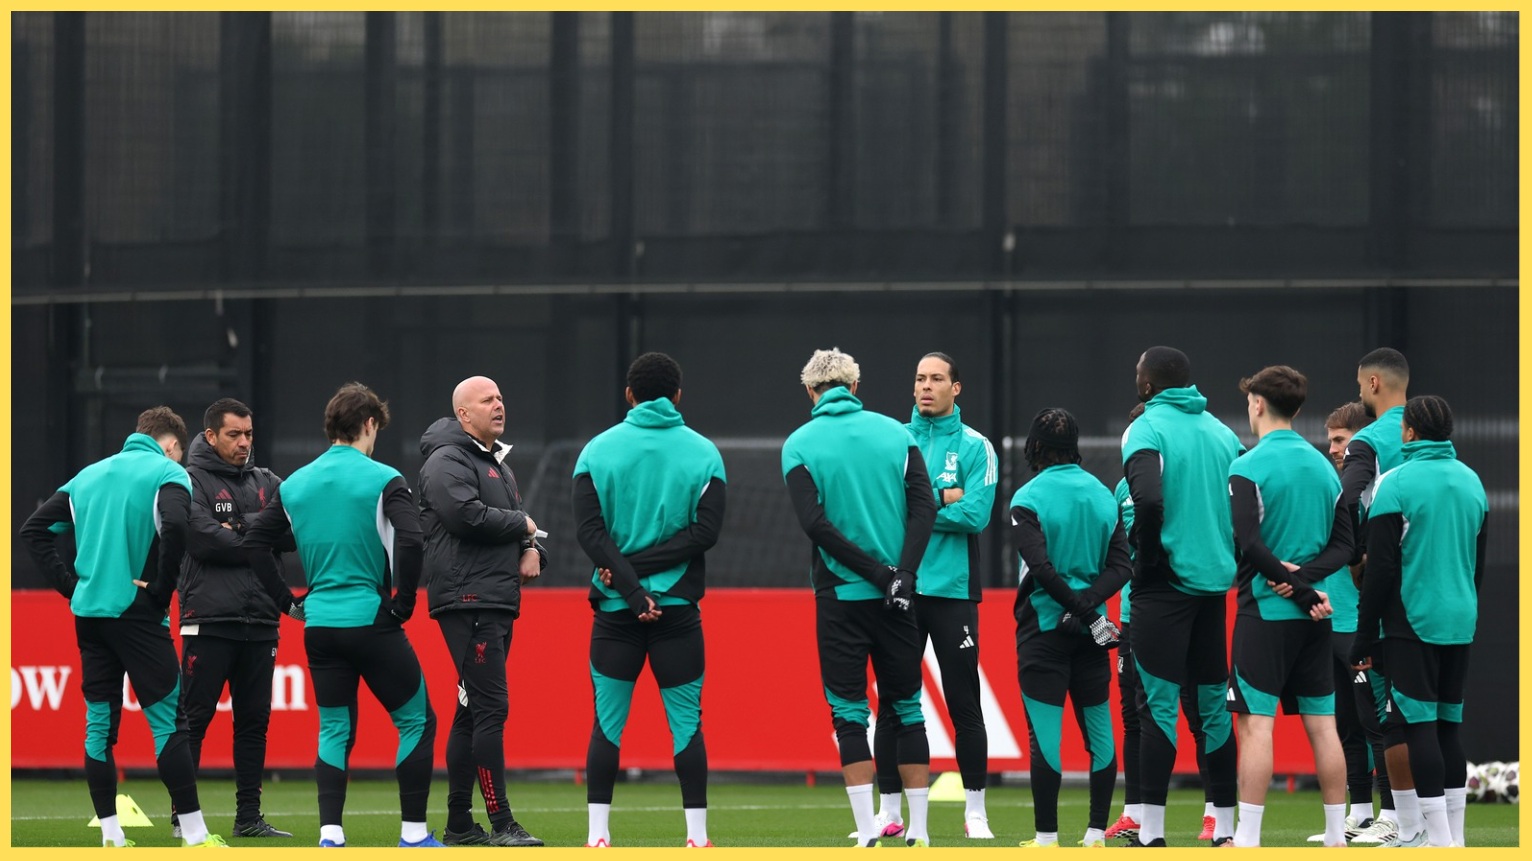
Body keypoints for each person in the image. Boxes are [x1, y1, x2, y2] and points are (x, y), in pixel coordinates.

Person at [242, 383, 441, 848]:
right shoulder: (384, 478)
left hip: (320, 626)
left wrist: (287, 602)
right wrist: (404, 602)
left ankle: (330, 835)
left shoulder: (295, 484)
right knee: (417, 721)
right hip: (371, 620)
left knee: (334, 727)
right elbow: (411, 539)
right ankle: (413, 835)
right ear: (370, 425)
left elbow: (253, 543)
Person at [20, 406, 228, 847]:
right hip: (135, 614)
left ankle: (111, 836)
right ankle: (194, 835)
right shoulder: (167, 473)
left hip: (89, 617)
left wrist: (70, 586)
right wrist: (160, 590)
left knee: (98, 724)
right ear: (171, 445)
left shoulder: (86, 477)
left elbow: (34, 530)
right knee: (171, 724)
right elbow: (174, 525)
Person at [780, 347, 938, 848]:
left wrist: (873, 572)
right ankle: (921, 832)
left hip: (841, 596)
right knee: (907, 708)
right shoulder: (898, 433)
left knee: (849, 711)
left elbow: (815, 526)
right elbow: (925, 508)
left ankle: (867, 830)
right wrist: (902, 574)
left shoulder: (799, 444)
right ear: (854, 385)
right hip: (898, 598)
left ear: (810, 391)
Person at [573, 352, 727, 848]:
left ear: (629, 395)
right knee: (686, 727)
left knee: (607, 727)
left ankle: (598, 837)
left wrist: (629, 585)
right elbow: (705, 533)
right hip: (678, 614)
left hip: (617, 611)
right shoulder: (705, 453)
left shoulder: (596, 452)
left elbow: (590, 534)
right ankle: (697, 839)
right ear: (678, 395)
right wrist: (645, 584)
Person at [863, 352, 997, 841]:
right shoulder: (895, 441)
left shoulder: (978, 446)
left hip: (954, 593)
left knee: (965, 703)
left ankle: (975, 812)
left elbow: (976, 515)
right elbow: (882, 511)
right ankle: (889, 811)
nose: (926, 386)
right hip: (904, 587)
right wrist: (942, 497)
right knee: (896, 702)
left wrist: (917, 507)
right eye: (919, 378)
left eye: (937, 378)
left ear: (956, 387)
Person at [1224, 366, 1354, 847]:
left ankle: (1248, 839)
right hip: (1316, 617)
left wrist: (1293, 585)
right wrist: (1307, 584)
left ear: (1258, 403)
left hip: (1265, 615)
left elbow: (1248, 544)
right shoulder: (1324, 466)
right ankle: (1338, 836)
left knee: (1256, 726)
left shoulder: (1246, 466)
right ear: (1297, 409)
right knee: (1324, 727)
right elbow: (1345, 547)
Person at [1350, 395, 1487, 848]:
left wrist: (1364, 635)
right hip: (1460, 619)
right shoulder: (1472, 483)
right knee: (1449, 727)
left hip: (1412, 621)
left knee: (1419, 727)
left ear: (1408, 432)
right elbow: (1477, 565)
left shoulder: (1396, 484)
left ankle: (1439, 843)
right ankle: (1456, 841)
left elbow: (1381, 572)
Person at [1120, 346, 1243, 847]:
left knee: (1158, 708)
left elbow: (1147, 499)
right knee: (1213, 708)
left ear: (1148, 385)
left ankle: (1151, 832)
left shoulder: (1144, 428)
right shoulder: (1223, 433)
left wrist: (1147, 558)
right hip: (1213, 585)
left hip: (1164, 585)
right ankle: (1225, 829)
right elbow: (1244, 507)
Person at [417, 376, 546, 847]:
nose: (499, 404)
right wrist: (524, 525)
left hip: (492, 598)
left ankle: (457, 825)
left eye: (500, 396)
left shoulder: (496, 464)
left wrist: (532, 545)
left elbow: (518, 532)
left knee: (469, 712)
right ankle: (502, 823)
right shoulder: (447, 460)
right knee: (491, 707)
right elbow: (465, 516)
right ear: (463, 414)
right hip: (468, 600)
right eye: (487, 400)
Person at [174, 398, 300, 840]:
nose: (244, 442)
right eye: (234, 434)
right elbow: (202, 540)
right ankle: (183, 818)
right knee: (194, 718)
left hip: (261, 620)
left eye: (248, 434)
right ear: (210, 436)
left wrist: (242, 528)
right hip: (209, 619)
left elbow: (293, 530)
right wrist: (259, 534)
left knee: (254, 723)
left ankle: (249, 817)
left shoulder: (268, 480)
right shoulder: (188, 479)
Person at [1009, 408, 1132, 848]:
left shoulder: (1027, 497)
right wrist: (1091, 613)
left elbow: (1039, 569)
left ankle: (1046, 839)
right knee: (1099, 734)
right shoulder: (1103, 495)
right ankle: (1096, 833)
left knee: (1046, 737)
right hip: (1091, 633)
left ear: (1036, 447)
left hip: (1044, 631)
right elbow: (1122, 565)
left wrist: (1075, 610)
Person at [1306, 401, 1398, 845]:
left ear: (1360, 441)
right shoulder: (1336, 486)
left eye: (1340, 440)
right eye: (1331, 441)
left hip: (1365, 627)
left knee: (1376, 723)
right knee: (1345, 724)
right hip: (1331, 622)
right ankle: (1360, 813)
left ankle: (1394, 814)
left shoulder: (1371, 493)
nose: (1333, 449)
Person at [1340, 347, 1413, 846]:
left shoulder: (1368, 442)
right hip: (1434, 589)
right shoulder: (1432, 436)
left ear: (1371, 384)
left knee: (1385, 711)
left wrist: (1354, 558)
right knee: (1429, 713)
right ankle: (1433, 823)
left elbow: (1347, 501)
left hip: (1387, 593)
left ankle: (1394, 819)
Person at [1105, 402, 1144, 842]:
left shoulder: (1184, 481)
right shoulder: (1118, 489)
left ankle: (1219, 816)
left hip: (1182, 609)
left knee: (1199, 712)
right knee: (1133, 715)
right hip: (1132, 618)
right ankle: (1134, 814)